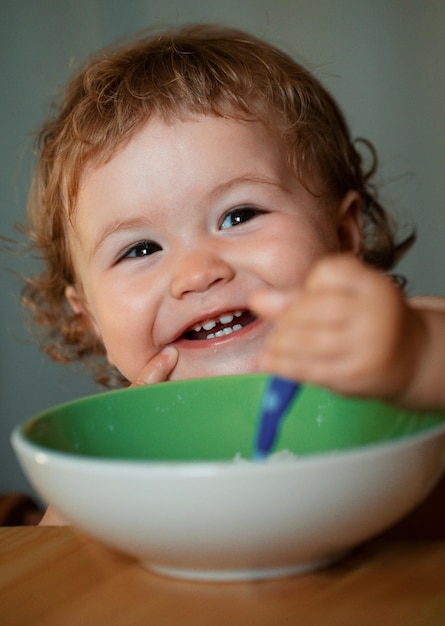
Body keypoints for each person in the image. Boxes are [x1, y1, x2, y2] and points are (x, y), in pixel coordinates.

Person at [18, 25, 445, 522]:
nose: (197, 274)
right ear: (89, 318)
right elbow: (52, 566)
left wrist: (411, 352)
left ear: (344, 236)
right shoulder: (112, 459)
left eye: (238, 216)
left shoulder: (395, 356)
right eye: (139, 248)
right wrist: (102, 474)